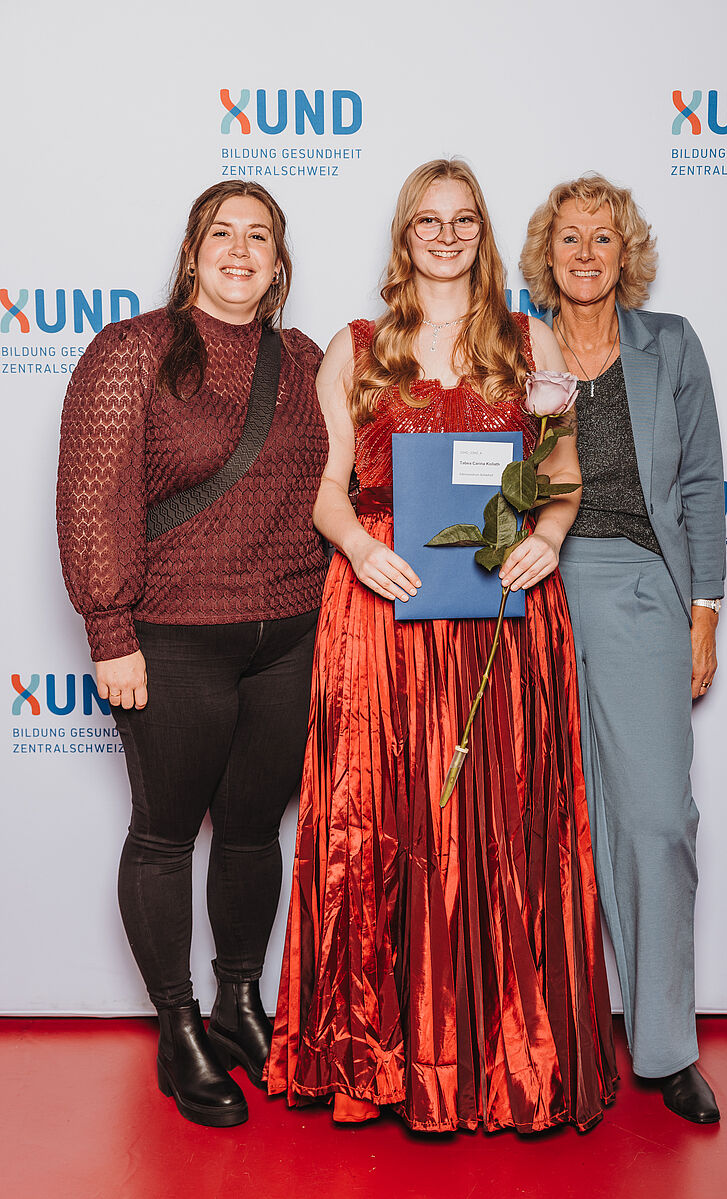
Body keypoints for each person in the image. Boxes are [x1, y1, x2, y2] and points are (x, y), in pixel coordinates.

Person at [267, 159, 617, 1133]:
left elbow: (562, 473)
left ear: (482, 233)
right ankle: (371, 1057)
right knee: (378, 828)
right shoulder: (357, 347)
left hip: (500, 616)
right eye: (429, 219)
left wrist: (549, 537)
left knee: (495, 830)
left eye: (464, 219)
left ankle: (496, 1061)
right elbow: (327, 490)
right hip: (383, 607)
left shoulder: (528, 341)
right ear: (404, 234)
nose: (447, 234)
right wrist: (358, 547)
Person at [56, 180, 328, 1127]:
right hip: (172, 639)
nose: (241, 250)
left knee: (253, 831)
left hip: (291, 633)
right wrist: (110, 631)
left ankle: (238, 1004)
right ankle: (178, 1030)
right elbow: (93, 498)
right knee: (167, 832)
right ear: (192, 251)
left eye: (260, 236)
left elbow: (344, 478)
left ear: (280, 260)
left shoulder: (304, 357)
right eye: (223, 233)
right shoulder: (132, 351)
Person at [520, 173, 725, 1123]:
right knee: (541, 820)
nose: (587, 253)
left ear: (626, 252)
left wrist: (704, 609)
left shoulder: (670, 344)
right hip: (536, 585)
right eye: (570, 237)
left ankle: (666, 1045)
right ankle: (538, 1041)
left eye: (604, 238)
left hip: (642, 584)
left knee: (654, 820)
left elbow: (704, 482)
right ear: (546, 254)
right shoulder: (516, 346)